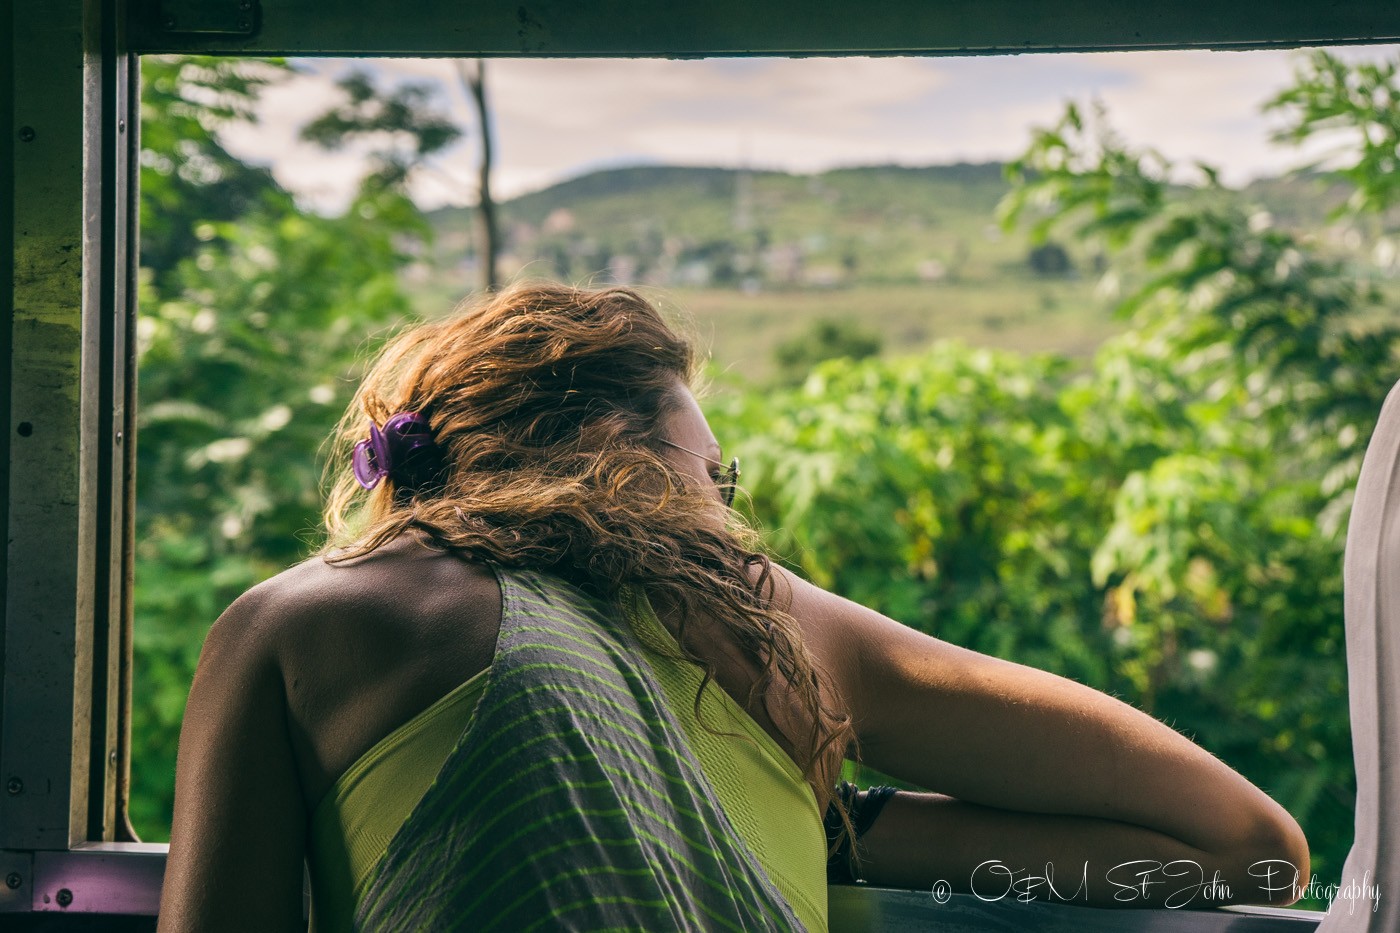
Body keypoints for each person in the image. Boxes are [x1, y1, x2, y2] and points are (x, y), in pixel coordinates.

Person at [158, 283, 1309, 932]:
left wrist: (829, 827)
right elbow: (1251, 853)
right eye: (718, 479)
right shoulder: (772, 625)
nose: (728, 520)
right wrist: (840, 829)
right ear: (622, 457)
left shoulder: (289, 624)